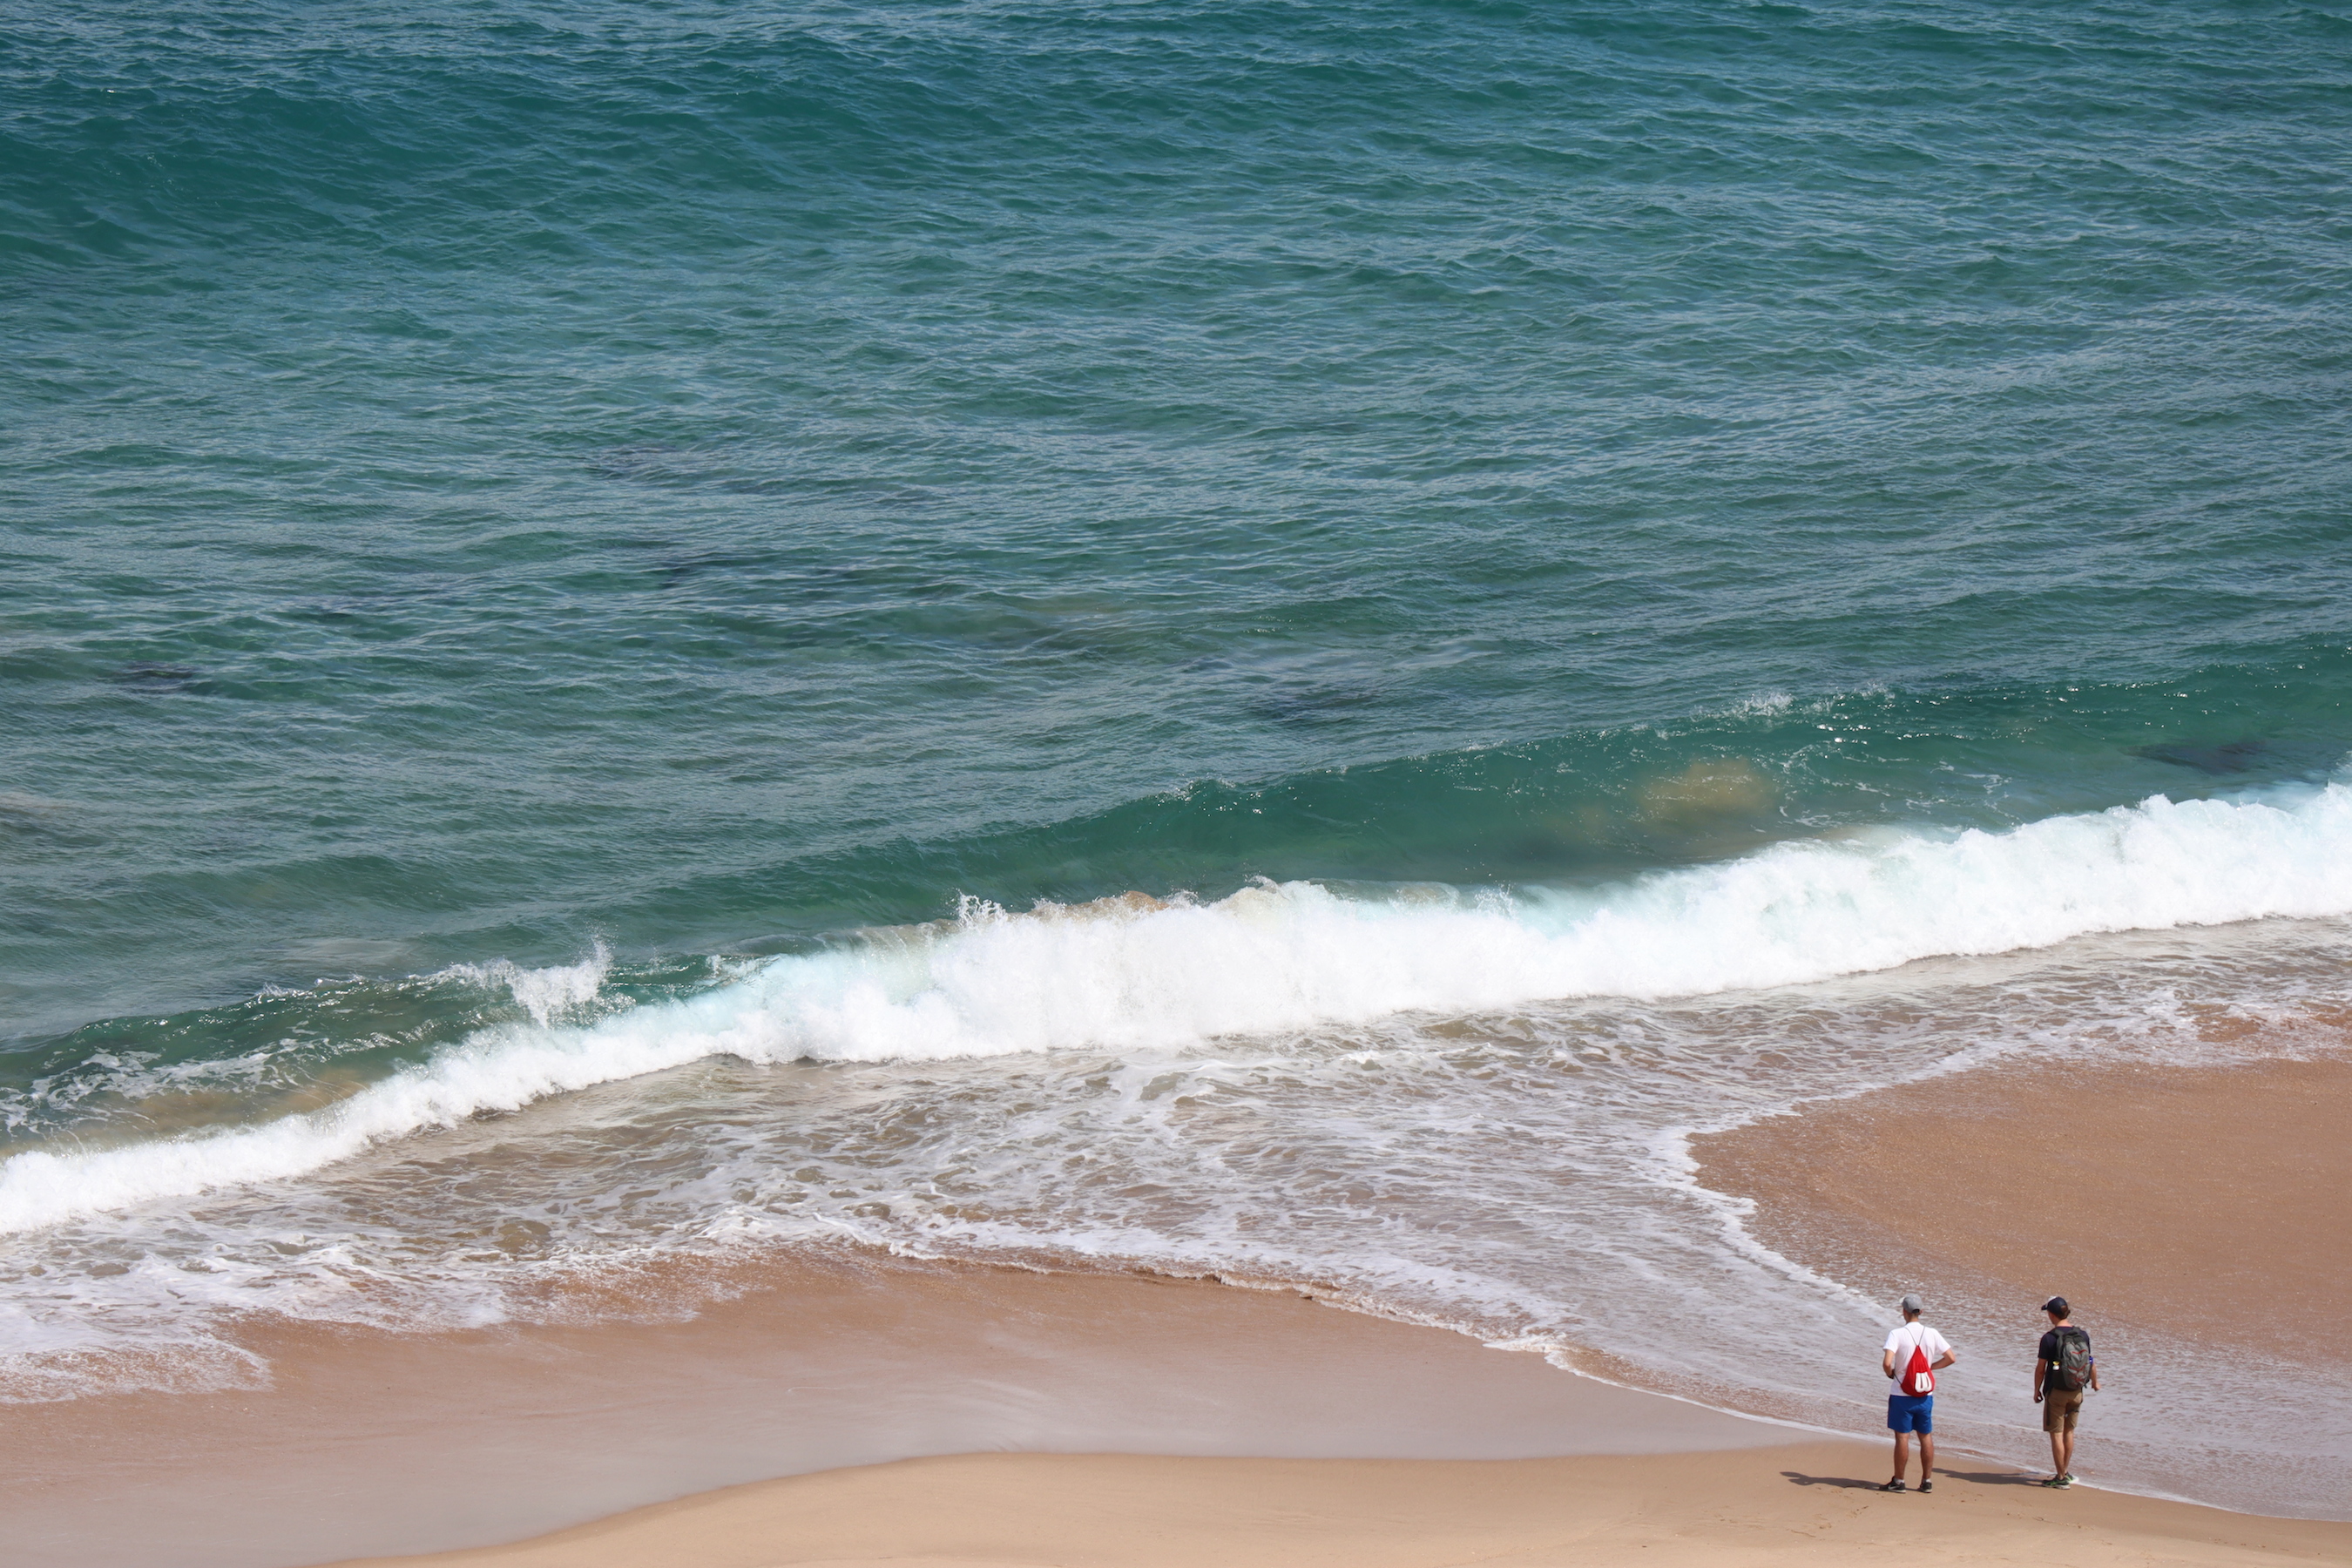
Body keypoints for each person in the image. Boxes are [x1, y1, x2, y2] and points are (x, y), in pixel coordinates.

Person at [1880, 1294, 1956, 1492]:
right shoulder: (1932, 1333)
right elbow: (1951, 1358)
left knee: (1903, 1437)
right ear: (1921, 1312)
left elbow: (1887, 1363)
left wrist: (1891, 1375)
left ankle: (1899, 1481)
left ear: (1903, 1311)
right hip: (1925, 1395)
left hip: (1901, 1395)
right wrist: (1930, 1368)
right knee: (1925, 1436)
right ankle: (1927, 1481)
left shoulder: (1897, 1334)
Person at [2033, 1296, 2099, 1488]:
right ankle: (2065, 1472)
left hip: (2057, 1392)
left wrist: (2036, 1390)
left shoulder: (2049, 1338)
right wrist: (2095, 1383)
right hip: (2077, 1390)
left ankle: (2060, 1478)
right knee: (2069, 1432)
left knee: (2056, 1433)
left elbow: (2040, 1369)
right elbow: (2091, 1362)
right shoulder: (2083, 1335)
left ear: (2052, 1314)